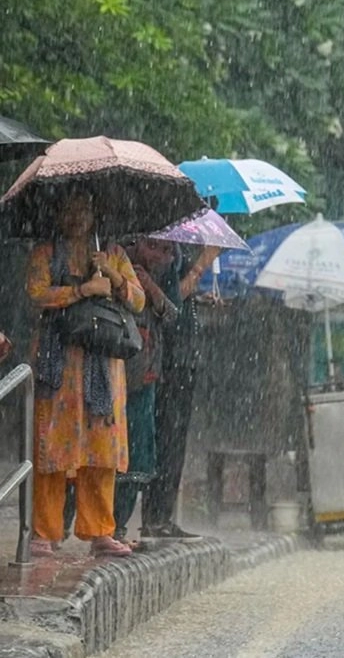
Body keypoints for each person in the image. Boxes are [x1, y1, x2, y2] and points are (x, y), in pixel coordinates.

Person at [27, 192, 145, 557]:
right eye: (68, 208)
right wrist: (82, 290)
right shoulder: (46, 253)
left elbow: (138, 301)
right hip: (58, 361)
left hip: (103, 365)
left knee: (101, 449)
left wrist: (110, 274)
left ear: (95, 214)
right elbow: (36, 294)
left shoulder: (113, 253)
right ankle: (45, 532)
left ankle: (99, 531)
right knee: (52, 449)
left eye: (84, 209)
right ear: (58, 213)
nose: (77, 216)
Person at [139, 244, 218, 544]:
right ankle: (156, 517)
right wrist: (202, 264)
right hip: (167, 359)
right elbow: (170, 302)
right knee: (166, 437)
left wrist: (199, 297)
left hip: (183, 358)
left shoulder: (176, 249)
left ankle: (164, 516)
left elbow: (182, 297)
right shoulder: (164, 250)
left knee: (175, 439)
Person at [113, 238, 179, 544]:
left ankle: (119, 525)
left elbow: (172, 315)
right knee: (106, 455)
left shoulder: (166, 271)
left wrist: (151, 286)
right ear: (138, 242)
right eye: (155, 247)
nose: (162, 256)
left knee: (138, 458)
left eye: (168, 251)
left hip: (146, 377)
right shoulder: (113, 258)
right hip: (113, 374)